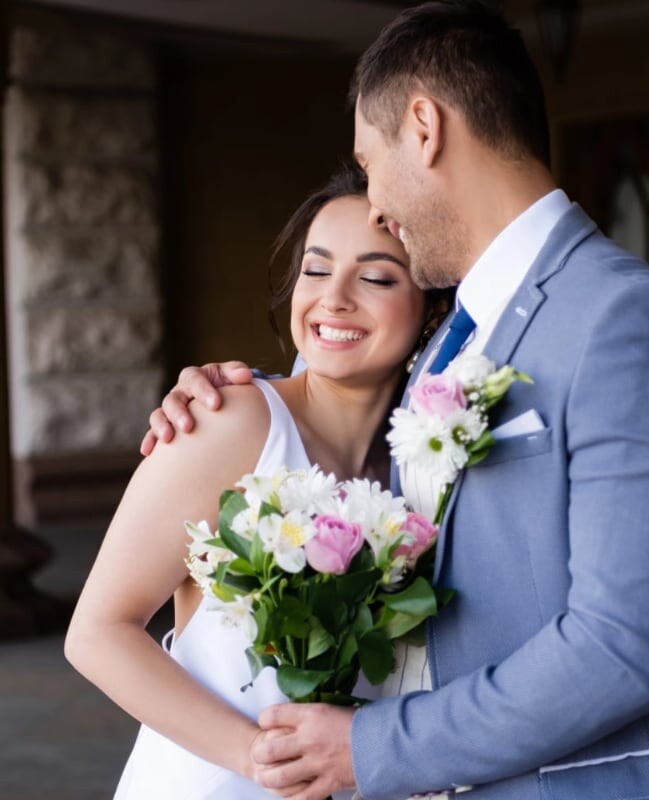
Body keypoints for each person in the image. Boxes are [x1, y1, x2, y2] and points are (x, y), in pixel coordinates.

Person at [143, 2, 649, 799]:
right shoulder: (448, 343)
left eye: (369, 159)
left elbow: (625, 645)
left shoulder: (624, 321)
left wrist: (377, 747)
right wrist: (217, 394)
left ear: (423, 127)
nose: (375, 203)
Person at [65, 162, 447, 799]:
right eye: (316, 270)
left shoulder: (418, 474)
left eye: (376, 276)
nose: (334, 298)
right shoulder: (232, 420)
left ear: (431, 308)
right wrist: (257, 756)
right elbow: (98, 634)